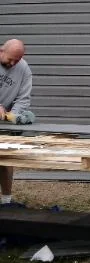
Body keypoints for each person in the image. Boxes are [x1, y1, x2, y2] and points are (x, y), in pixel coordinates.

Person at [0, 39, 32, 204]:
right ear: (1, 51)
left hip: (4, 121)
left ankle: (6, 201)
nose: (12, 63)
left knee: (5, 159)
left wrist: (13, 115)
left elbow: (23, 98)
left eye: (17, 60)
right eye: (10, 59)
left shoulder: (24, 69)